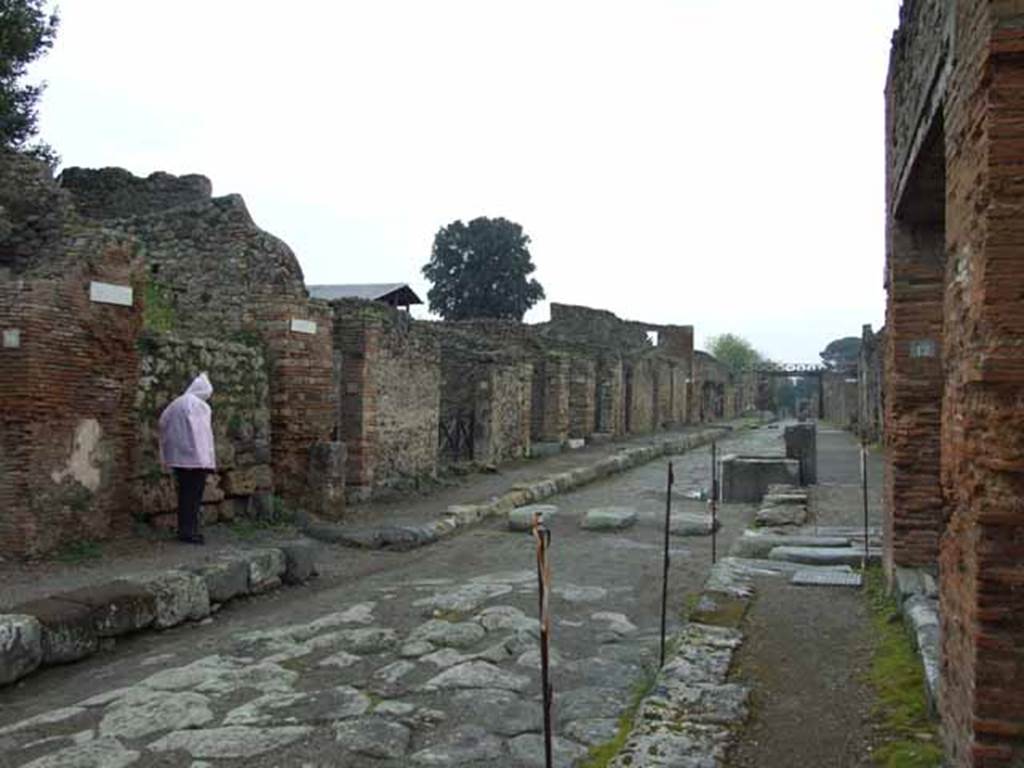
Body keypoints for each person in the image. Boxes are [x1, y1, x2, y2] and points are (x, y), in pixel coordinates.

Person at [158, 373, 216, 545]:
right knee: (194, 497)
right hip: (196, 460)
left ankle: (184, 529)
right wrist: (206, 460)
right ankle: (191, 531)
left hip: (179, 459)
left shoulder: (176, 403)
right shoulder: (199, 406)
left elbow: (162, 423)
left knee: (184, 495)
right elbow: (201, 435)